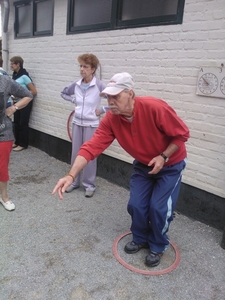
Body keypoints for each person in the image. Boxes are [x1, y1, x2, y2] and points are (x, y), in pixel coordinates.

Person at [52, 72, 190, 267]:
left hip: (170, 164)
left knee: (158, 208)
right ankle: (141, 237)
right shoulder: (111, 119)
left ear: (130, 94)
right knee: (136, 205)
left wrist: (163, 156)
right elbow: (90, 148)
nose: (111, 101)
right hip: (144, 165)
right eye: (108, 97)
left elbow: (182, 134)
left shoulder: (154, 107)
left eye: (116, 96)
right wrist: (70, 174)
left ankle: (158, 245)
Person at [61, 53, 106, 198]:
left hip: (91, 125)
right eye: (80, 66)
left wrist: (103, 110)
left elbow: (116, 99)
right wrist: (74, 101)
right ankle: (74, 182)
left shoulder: (99, 85)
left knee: (90, 155)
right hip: (77, 123)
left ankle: (89, 184)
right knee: (76, 154)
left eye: (85, 67)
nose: (82, 69)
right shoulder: (76, 84)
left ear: (93, 69)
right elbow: (63, 93)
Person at [0, 75, 33, 211]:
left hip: (3, 132)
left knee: (2, 166)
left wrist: (13, 108)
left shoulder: (4, 81)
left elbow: (28, 95)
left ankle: (4, 197)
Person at [10, 56, 37, 151]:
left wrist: (21, 95)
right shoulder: (14, 75)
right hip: (17, 102)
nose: (10, 65)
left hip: (25, 103)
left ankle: (23, 144)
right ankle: (17, 142)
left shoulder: (24, 76)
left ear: (18, 64)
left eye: (12, 64)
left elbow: (33, 91)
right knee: (16, 122)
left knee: (23, 123)